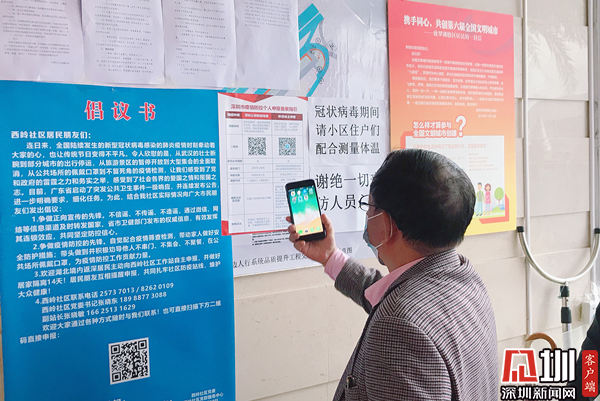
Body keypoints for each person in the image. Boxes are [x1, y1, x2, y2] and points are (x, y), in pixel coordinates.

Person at [287, 149, 498, 400]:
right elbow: (388, 294)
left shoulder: (399, 326)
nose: (367, 216)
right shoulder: (463, 276)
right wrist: (330, 256)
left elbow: (398, 313)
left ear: (385, 224)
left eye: (369, 208)